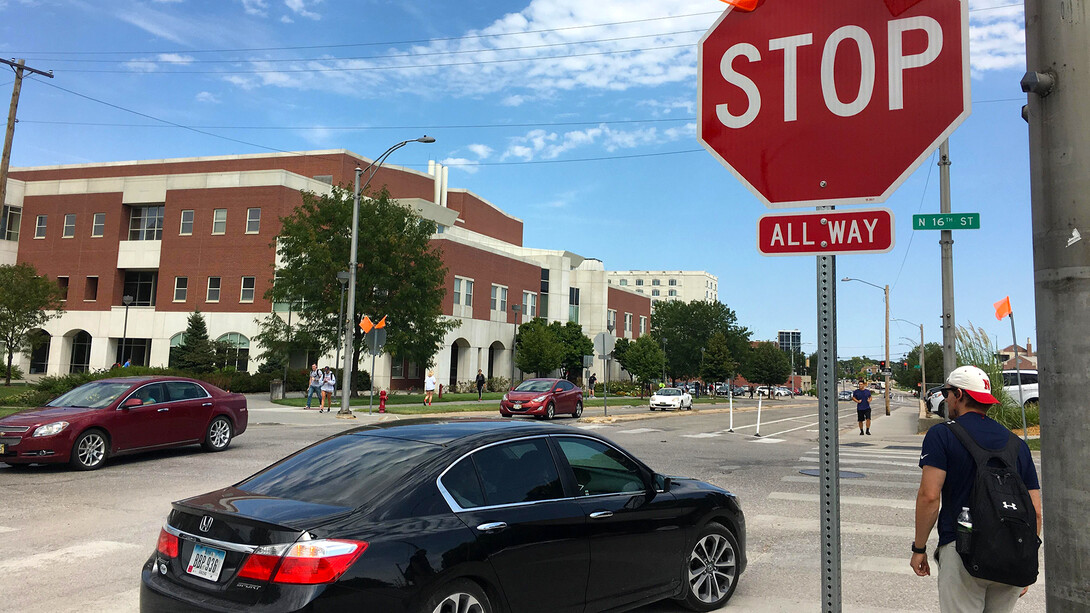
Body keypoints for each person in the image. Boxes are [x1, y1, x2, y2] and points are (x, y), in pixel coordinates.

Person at [911, 365, 1042, 612]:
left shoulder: (942, 435)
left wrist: (919, 548)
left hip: (962, 549)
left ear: (959, 395)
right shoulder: (1017, 445)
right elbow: (1035, 511)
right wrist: (1026, 558)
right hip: (1011, 551)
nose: (946, 398)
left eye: (947, 392)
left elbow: (929, 496)